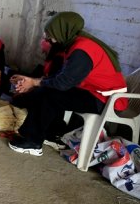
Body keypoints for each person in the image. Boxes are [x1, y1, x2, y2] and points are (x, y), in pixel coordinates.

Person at [8, 11, 128, 156]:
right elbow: (58, 77)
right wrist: (31, 81)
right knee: (46, 92)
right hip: (92, 92)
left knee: (50, 96)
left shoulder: (82, 50)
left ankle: (33, 142)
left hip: (105, 100)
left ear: (62, 31)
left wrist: (34, 82)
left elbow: (63, 83)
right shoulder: (75, 45)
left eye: (50, 35)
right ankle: (50, 134)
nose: (48, 39)